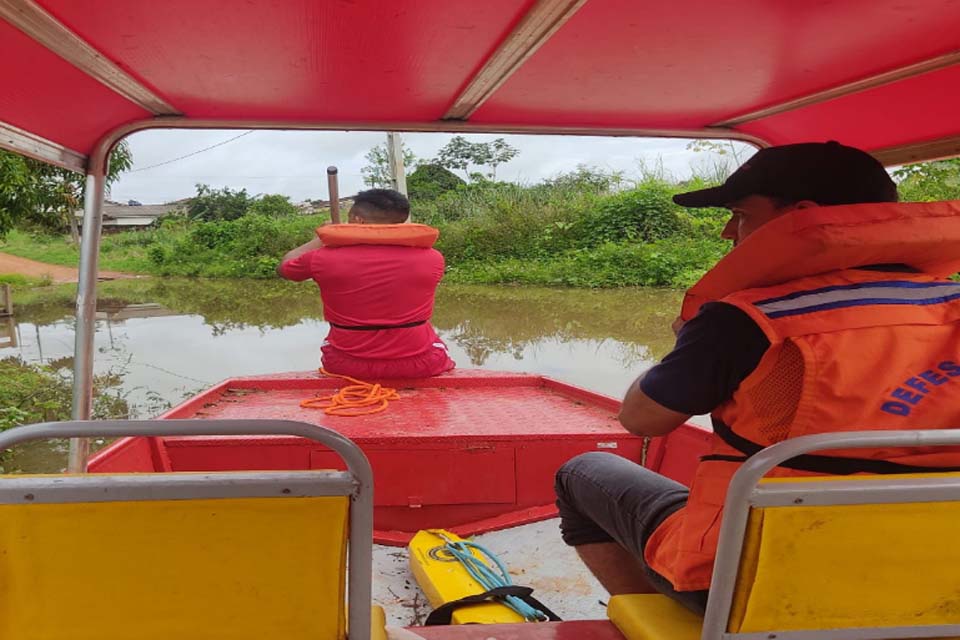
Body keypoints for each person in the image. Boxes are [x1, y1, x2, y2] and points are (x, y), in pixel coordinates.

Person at [554, 141, 960, 613]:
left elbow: (641, 419)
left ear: (800, 216)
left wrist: (687, 343)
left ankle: (650, 616)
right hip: (938, 578)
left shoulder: (748, 319)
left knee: (581, 473)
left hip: (753, 584)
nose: (729, 231)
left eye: (741, 214)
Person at [278, 188, 455, 379]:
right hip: (420, 364)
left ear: (357, 220)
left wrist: (321, 239)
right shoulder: (433, 258)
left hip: (345, 365)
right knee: (434, 342)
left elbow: (284, 268)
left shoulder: (321, 258)